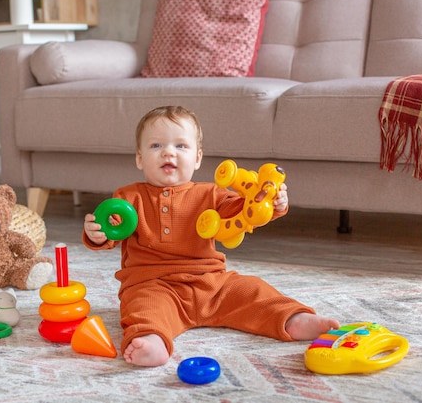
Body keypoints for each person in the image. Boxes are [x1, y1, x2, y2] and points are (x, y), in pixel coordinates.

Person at [83, 106, 340, 367]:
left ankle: (291, 318)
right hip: (153, 284)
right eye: (156, 145)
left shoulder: (211, 194)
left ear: (197, 158)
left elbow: (243, 211)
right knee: (144, 308)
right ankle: (152, 340)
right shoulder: (127, 197)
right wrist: (96, 234)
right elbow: (111, 230)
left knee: (252, 290)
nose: (168, 152)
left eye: (181, 146)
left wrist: (271, 202)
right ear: (140, 158)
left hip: (211, 283)